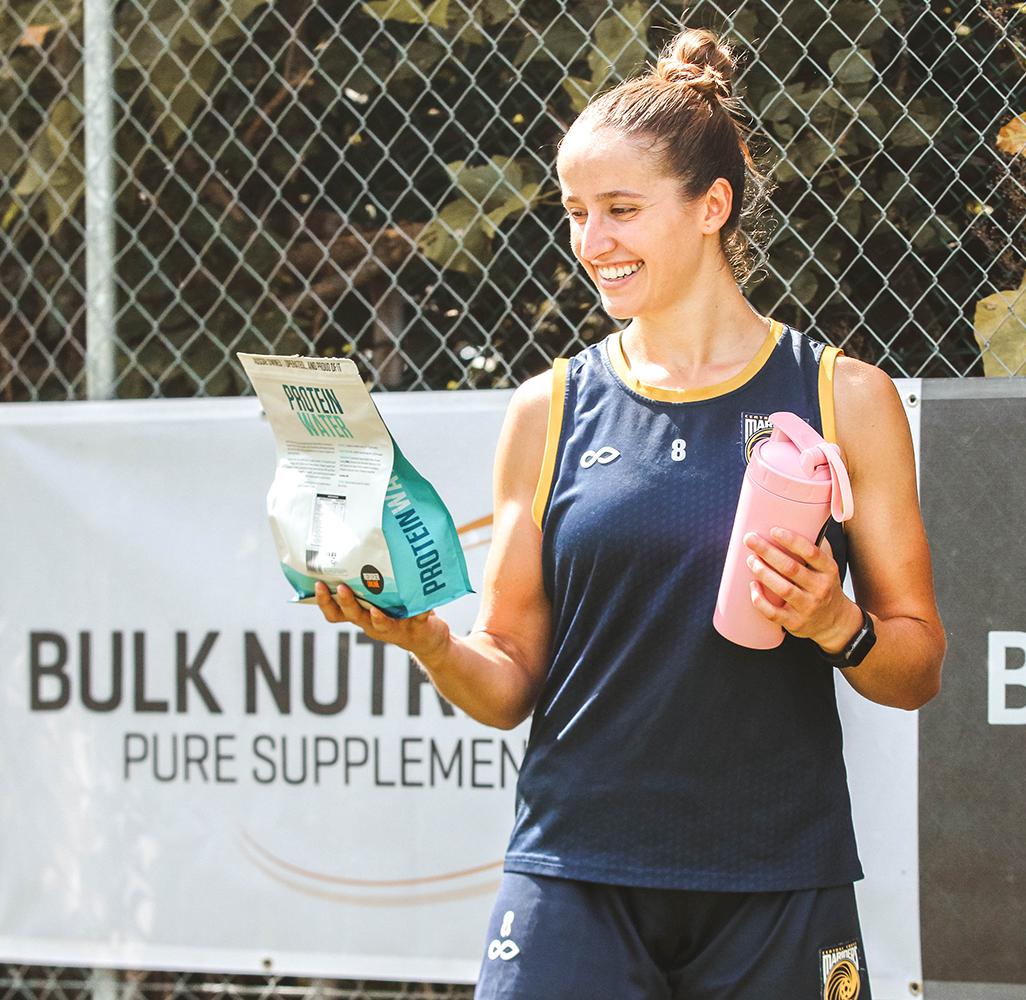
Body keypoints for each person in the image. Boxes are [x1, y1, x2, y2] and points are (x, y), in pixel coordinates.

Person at [316, 26, 945, 1000]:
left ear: (712, 206)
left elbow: (918, 667)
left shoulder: (844, 397)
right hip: (575, 874)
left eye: (620, 210)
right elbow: (508, 677)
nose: (592, 243)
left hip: (777, 878)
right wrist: (429, 641)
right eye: (576, 213)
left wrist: (836, 622)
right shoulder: (547, 407)